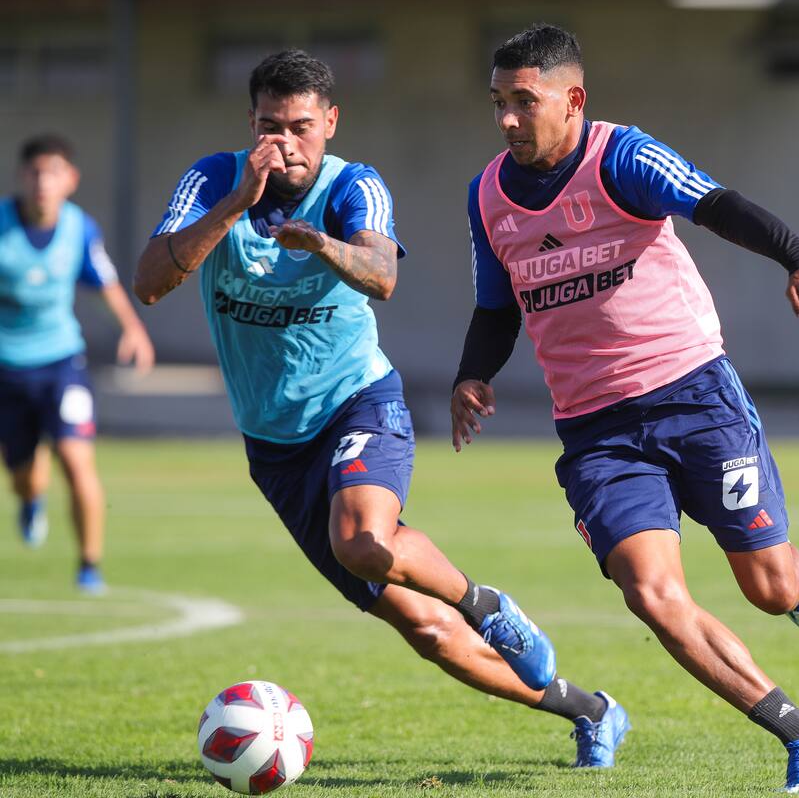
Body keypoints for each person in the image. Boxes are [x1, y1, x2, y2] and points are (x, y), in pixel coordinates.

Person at [133, 49, 627, 772]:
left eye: (301, 127)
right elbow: (149, 283)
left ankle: (486, 605)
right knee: (427, 632)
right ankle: (590, 710)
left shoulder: (351, 186)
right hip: (275, 449)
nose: (284, 143)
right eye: (270, 126)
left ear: (330, 122)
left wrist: (318, 243)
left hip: (358, 404)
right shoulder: (214, 181)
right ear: (251, 124)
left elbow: (382, 274)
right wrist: (237, 203)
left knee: (363, 541)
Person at [451, 25, 799, 793]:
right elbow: (496, 306)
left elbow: (717, 205)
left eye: (524, 102)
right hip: (596, 432)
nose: (506, 118)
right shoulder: (487, 195)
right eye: (498, 101)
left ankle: (797, 580)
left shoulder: (622, 158)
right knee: (653, 595)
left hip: (694, 396)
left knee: (769, 590)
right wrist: (472, 375)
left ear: (573, 99)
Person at [0, 134, 155, 594]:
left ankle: (89, 565)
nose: (42, 183)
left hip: (62, 362)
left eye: (52, 173)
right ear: (21, 176)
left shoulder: (79, 228)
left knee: (75, 457)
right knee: (24, 479)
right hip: (8, 368)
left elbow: (105, 283)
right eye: (35, 173)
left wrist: (132, 328)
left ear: (70, 179)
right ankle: (31, 499)